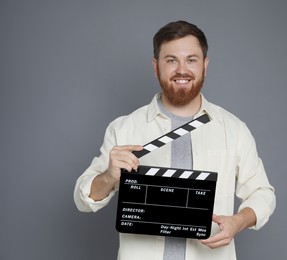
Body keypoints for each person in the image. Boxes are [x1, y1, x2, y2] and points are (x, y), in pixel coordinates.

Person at [74, 20, 275, 260]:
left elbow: (263, 193)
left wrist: (238, 222)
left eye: (191, 60)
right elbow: (84, 199)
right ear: (156, 66)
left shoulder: (233, 129)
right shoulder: (124, 128)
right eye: (171, 60)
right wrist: (108, 176)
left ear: (205, 65)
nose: (182, 70)